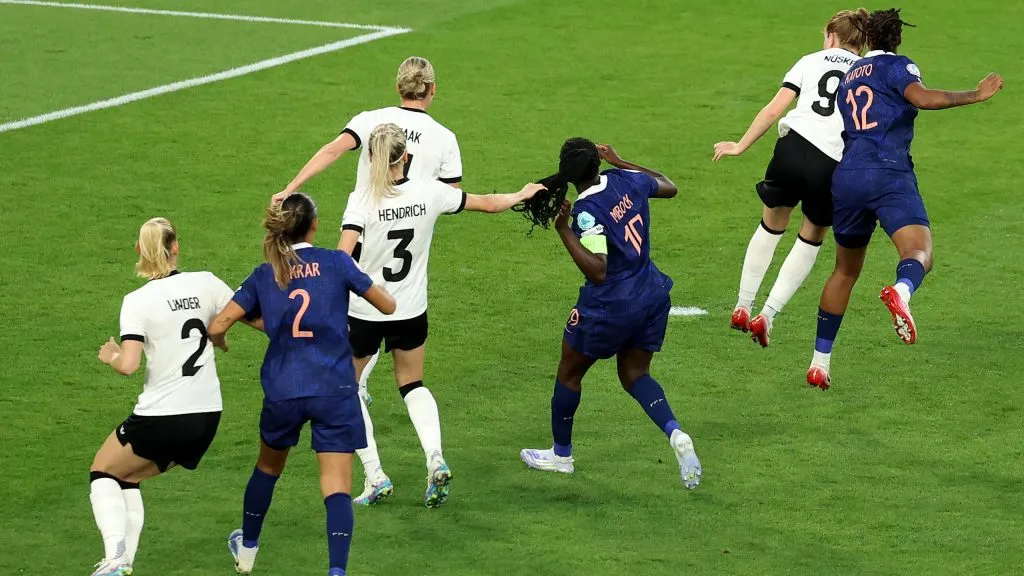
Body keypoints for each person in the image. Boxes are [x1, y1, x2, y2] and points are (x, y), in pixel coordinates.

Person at [338, 123, 545, 507]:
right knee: (412, 384)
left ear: (371, 158)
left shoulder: (361, 199)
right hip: (411, 310)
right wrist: (522, 193)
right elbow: (485, 203)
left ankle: (375, 475)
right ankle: (434, 457)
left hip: (365, 311)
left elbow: (342, 257)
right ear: (407, 157)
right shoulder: (430, 191)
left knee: (346, 389)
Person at [807, 9, 1004, 389]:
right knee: (920, 253)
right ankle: (901, 291)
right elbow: (923, 98)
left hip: (847, 177)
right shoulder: (898, 67)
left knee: (845, 271)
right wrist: (975, 95)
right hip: (888, 172)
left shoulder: (849, 76)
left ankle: (820, 362)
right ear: (895, 40)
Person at [210, 194, 396, 575]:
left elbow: (217, 324)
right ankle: (336, 572)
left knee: (267, 469)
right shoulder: (336, 262)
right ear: (314, 224)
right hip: (335, 389)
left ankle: (246, 557)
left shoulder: (266, 274)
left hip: (285, 388)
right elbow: (388, 306)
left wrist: (253, 325)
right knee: (337, 485)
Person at [275, 56, 463, 407]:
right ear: (433, 90)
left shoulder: (370, 120)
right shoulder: (445, 138)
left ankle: (350, 387)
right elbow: (452, 196)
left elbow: (332, 150)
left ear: (398, 86)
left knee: (358, 320)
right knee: (391, 320)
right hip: (409, 239)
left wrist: (291, 187)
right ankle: (357, 387)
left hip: (363, 232)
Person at [517, 138, 702, 490]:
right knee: (635, 374)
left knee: (570, 373)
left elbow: (598, 270)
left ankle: (561, 456)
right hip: (651, 293)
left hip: (610, 306)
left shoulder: (586, 212)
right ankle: (675, 432)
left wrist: (564, 230)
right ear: (597, 163)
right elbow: (670, 187)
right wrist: (623, 160)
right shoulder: (626, 178)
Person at [89, 218, 237, 576]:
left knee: (103, 472)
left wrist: (109, 354)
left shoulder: (137, 301)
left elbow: (128, 365)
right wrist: (218, 336)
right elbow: (242, 315)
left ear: (139, 251)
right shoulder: (207, 282)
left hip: (163, 414)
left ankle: (115, 558)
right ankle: (122, 564)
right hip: (206, 416)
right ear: (176, 248)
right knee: (128, 477)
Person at [713, 9, 869, 347]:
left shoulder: (809, 60)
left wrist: (740, 145)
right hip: (831, 162)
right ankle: (766, 315)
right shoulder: (866, 73)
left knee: (771, 226)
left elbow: (774, 109)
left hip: (792, 147)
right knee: (811, 237)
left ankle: (742, 305)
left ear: (831, 35)